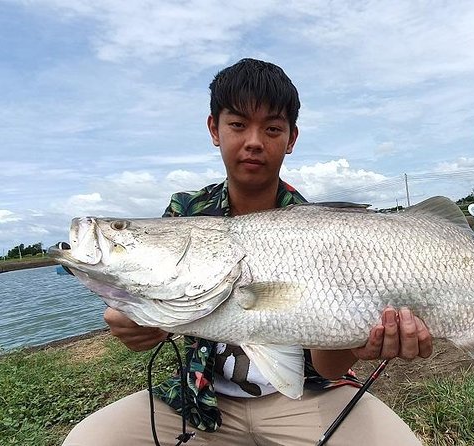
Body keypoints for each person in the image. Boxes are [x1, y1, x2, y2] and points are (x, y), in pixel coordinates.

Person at [63, 58, 432, 446]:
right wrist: (134, 317)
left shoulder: (322, 230)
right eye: (238, 124)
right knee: (87, 440)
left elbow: (326, 364)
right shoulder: (185, 214)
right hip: (200, 401)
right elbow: (153, 296)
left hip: (309, 394)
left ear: (291, 139)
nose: (254, 141)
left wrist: (359, 343)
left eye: (272, 128)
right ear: (214, 129)